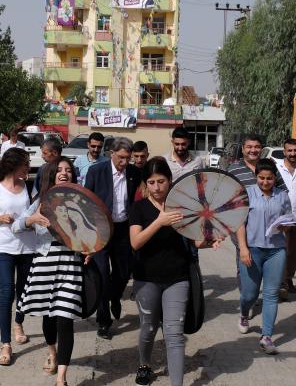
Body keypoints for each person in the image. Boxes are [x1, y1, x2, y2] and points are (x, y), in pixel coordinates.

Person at [129, 157, 223, 386]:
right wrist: (159, 222)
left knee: (173, 334)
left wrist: (210, 240)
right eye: (151, 182)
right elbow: (136, 242)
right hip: (146, 278)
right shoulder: (139, 208)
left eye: (161, 181)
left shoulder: (183, 208)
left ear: (170, 181)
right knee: (148, 328)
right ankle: (144, 364)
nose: (157, 187)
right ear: (145, 184)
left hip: (178, 278)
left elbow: (194, 242)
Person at [14, 157, 86, 386]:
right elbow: (16, 226)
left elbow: (93, 231)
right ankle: (52, 352)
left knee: (65, 318)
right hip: (45, 263)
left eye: (68, 170)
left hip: (70, 265)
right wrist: (32, 219)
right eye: (59, 170)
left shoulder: (80, 200)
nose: (64, 173)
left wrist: (91, 249)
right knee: (49, 315)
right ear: (52, 174)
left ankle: (62, 378)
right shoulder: (40, 200)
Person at [84, 137, 141, 339]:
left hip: (123, 229)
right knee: (101, 275)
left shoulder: (134, 174)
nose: (125, 162)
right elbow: (85, 203)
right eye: (122, 158)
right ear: (112, 154)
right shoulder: (96, 172)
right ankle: (103, 321)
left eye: (128, 158)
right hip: (100, 231)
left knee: (123, 272)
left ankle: (115, 297)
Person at [0, 148, 37, 365]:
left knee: (23, 292)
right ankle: (6, 344)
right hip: (4, 247)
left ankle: (18, 322)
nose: (28, 167)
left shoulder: (29, 186)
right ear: (14, 165)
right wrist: (1, 218)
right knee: (7, 293)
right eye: (25, 163)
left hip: (27, 248)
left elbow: (36, 211)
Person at [237, 158, 293, 354]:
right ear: (256, 177)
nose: (265, 182)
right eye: (261, 178)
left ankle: (267, 336)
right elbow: (239, 224)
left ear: (274, 178)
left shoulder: (283, 196)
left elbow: (288, 221)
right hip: (252, 250)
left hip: (276, 250)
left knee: (271, 294)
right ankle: (244, 313)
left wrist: (285, 225)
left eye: (269, 178)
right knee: (249, 294)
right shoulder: (246, 194)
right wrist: (243, 248)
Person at [227, 135, 285, 294]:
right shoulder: (233, 169)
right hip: (241, 225)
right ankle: (247, 299)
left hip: (268, 226)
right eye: (249, 147)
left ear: (262, 148)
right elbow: (224, 197)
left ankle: (269, 293)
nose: (253, 150)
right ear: (243, 148)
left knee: (266, 261)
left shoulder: (269, 166)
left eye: (257, 147)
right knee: (245, 260)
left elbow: (283, 191)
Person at [275, 138, 296, 299]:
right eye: (289, 151)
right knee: (278, 252)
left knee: (292, 252)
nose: (293, 154)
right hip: (279, 218)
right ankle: (279, 283)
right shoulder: (276, 167)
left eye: (295, 150)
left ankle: (288, 279)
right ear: (284, 151)